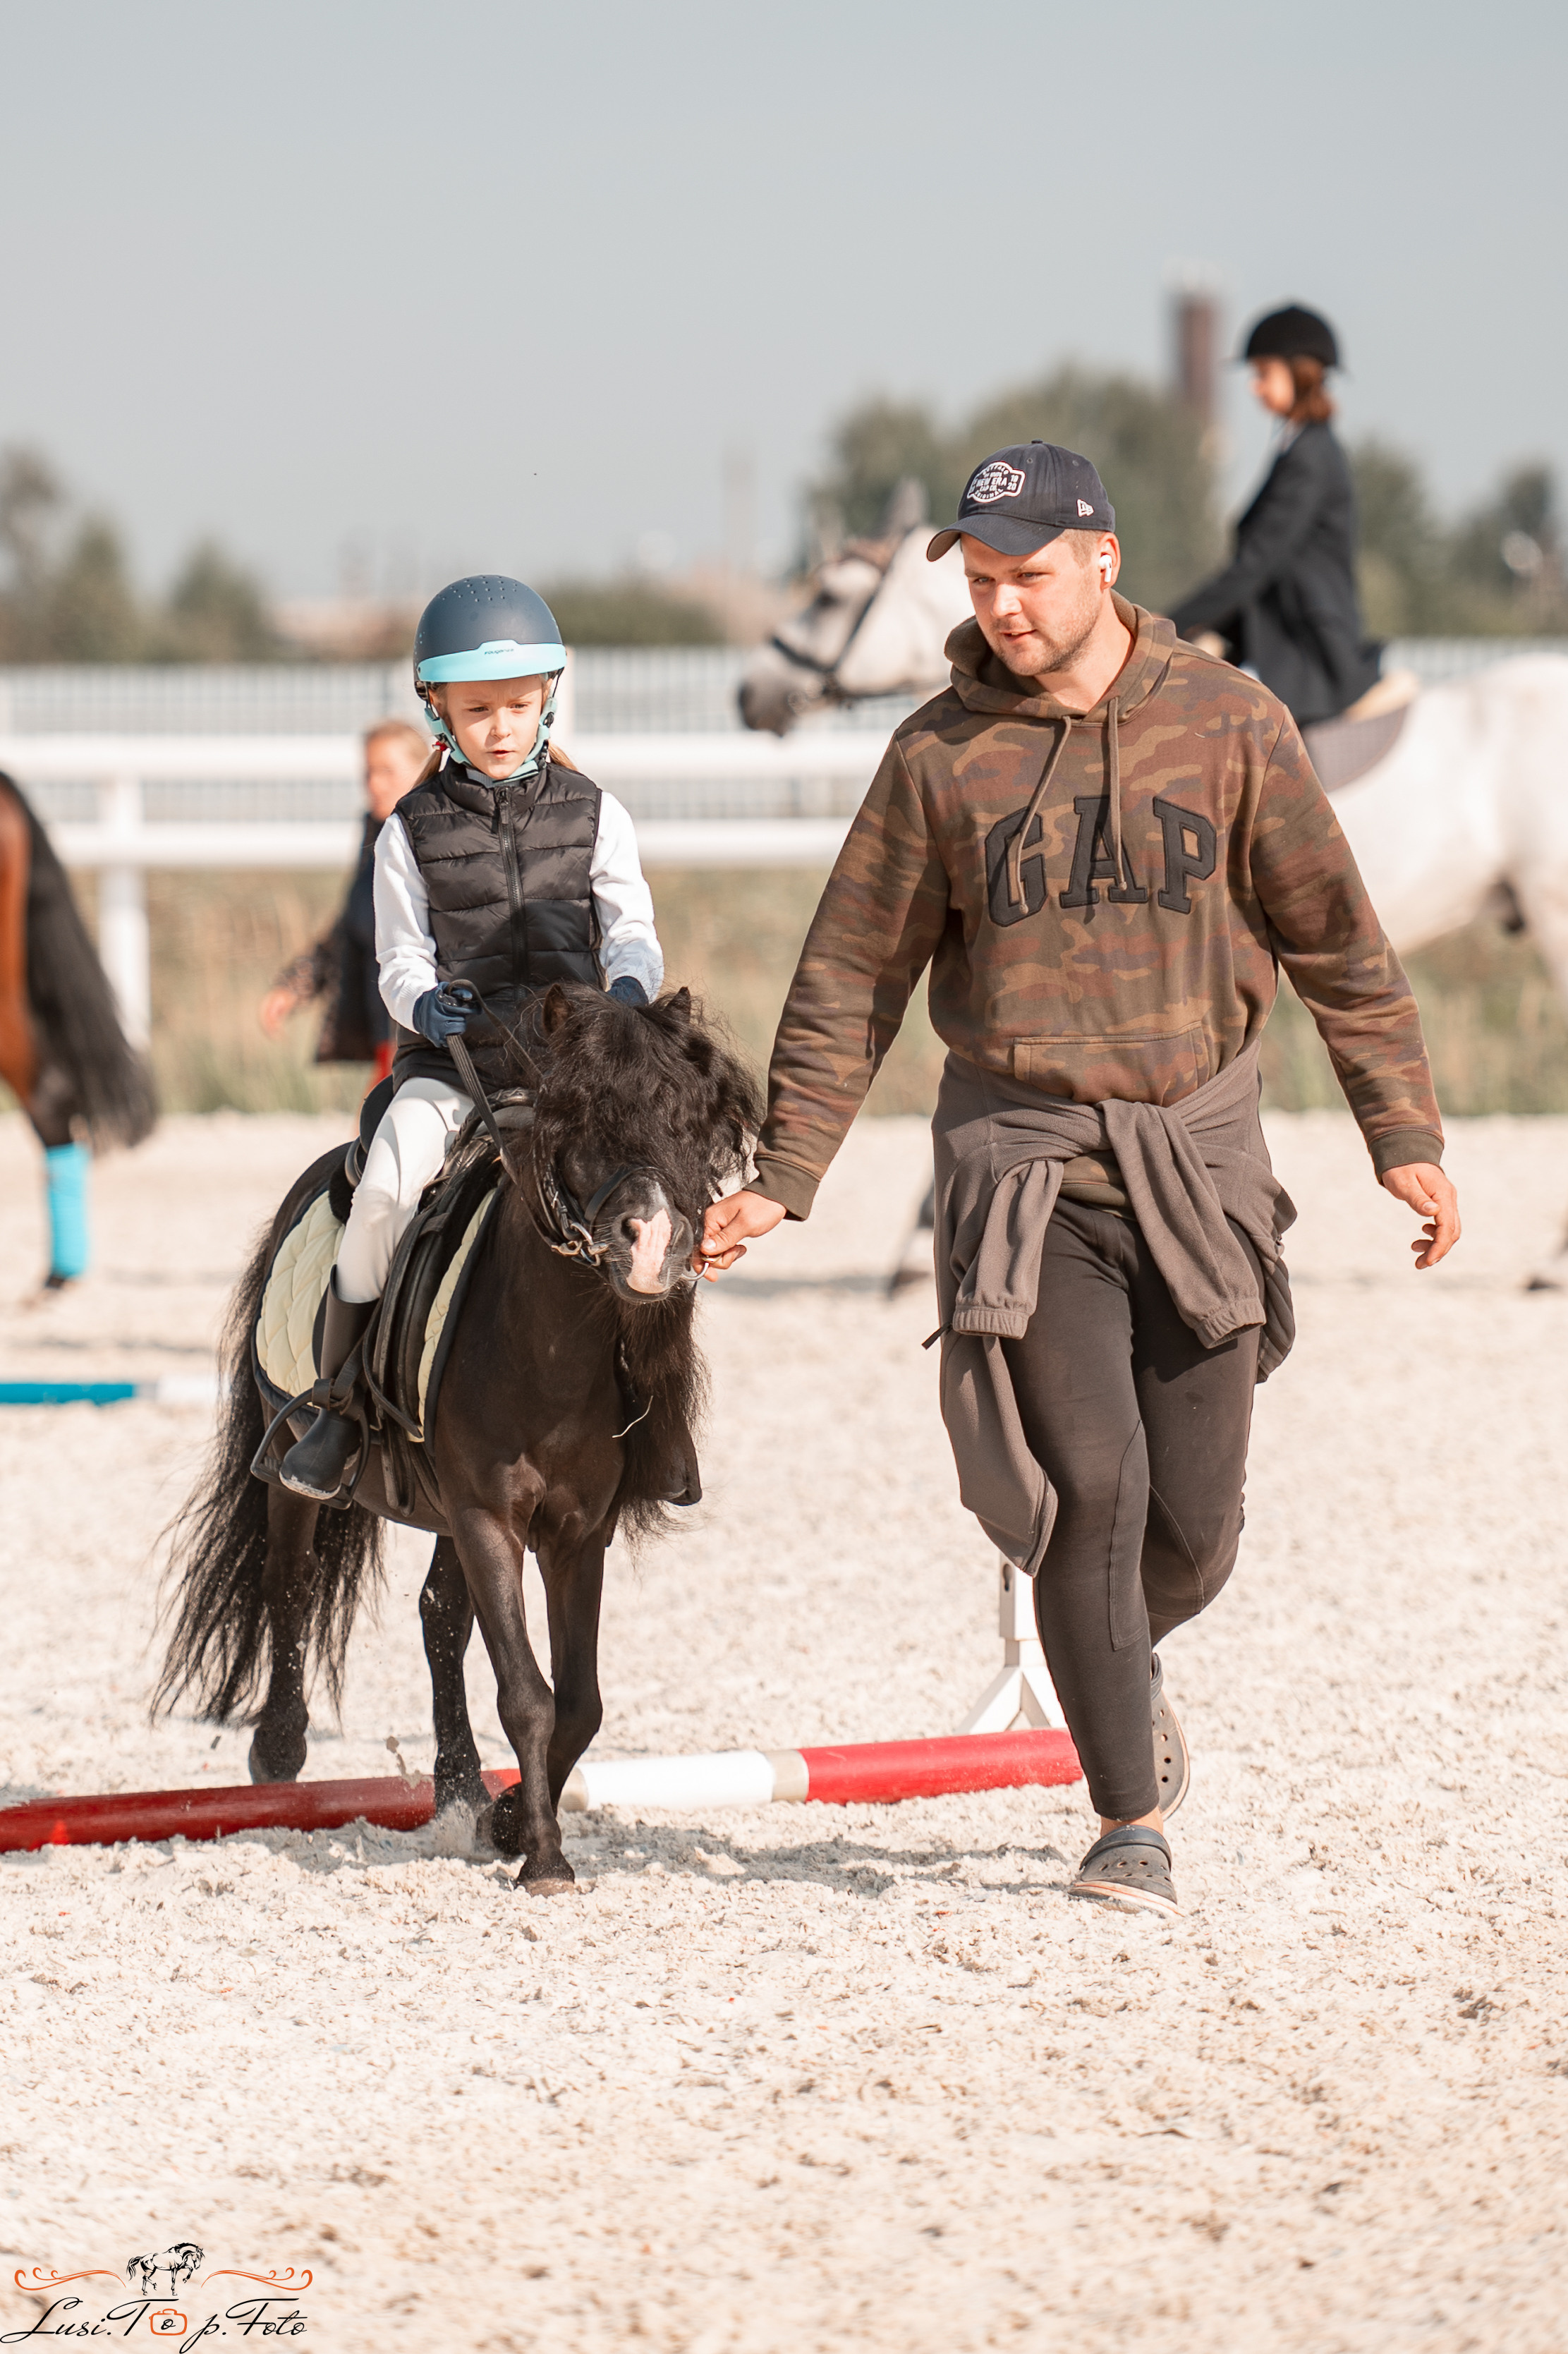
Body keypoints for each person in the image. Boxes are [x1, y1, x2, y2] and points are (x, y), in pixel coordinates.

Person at [698, 440, 1459, 1918]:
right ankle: (1125, 1820)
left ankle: (1116, 1652)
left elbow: (1340, 950)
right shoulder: (936, 756)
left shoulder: (1231, 723)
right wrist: (785, 1173)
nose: (1002, 609)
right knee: (1090, 1495)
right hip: (1025, 1167)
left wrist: (1405, 1139)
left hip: (1196, 1162)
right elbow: (851, 973)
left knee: (1194, 1531)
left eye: (1026, 578)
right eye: (979, 584)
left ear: (1100, 562)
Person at [279, 574, 664, 1503]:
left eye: (518, 706)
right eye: (479, 707)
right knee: (384, 1189)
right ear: (438, 707)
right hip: (455, 1068)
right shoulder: (405, 832)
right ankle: (340, 1404)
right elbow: (399, 959)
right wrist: (425, 1006)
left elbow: (634, 928)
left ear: (547, 700)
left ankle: (660, 1419)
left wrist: (627, 991)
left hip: (577, 1066)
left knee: (662, 1195)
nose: (500, 725)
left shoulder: (598, 811)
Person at [1170, 305, 1383, 728]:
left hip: (1307, 651)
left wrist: (1169, 623)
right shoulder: (1297, 447)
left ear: (1299, 373)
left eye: (1264, 373)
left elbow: (1257, 564)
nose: (1255, 387)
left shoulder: (1310, 456)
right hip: (1272, 635)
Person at [260, 719, 431, 1084]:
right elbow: (352, 925)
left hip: (426, 1033)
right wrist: (293, 987)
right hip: (389, 1033)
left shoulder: (440, 842)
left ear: (425, 767)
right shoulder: (376, 834)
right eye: (368, 772)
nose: (374, 784)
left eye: (387, 770)